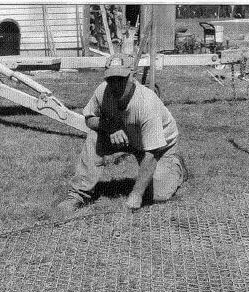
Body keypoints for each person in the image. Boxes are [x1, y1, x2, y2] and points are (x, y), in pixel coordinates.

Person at [56, 56, 187, 217]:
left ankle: (177, 167)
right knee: (94, 137)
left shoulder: (146, 103)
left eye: (121, 79)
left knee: (159, 196)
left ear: (131, 77)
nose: (115, 85)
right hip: (126, 136)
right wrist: (110, 127)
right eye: (111, 79)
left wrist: (136, 194)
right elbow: (89, 119)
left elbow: (151, 154)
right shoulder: (102, 91)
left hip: (159, 146)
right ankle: (77, 195)